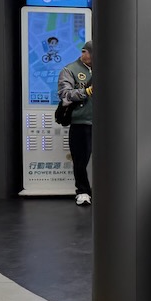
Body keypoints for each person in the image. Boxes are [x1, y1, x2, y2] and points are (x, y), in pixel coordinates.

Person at [58, 41, 94, 205]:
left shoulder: (107, 67)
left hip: (106, 125)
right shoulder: (70, 70)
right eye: (86, 52)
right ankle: (83, 191)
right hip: (81, 122)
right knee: (81, 160)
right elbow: (65, 94)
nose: (88, 56)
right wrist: (85, 92)